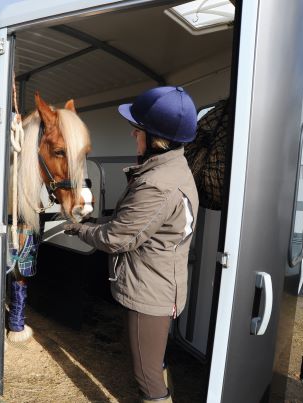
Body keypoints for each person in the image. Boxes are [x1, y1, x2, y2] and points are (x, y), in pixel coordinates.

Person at [64, 86, 199, 402]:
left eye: (137, 131)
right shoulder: (174, 169)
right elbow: (136, 228)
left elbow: (115, 239)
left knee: (147, 376)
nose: (132, 136)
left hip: (150, 292)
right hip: (164, 283)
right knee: (156, 361)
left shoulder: (156, 185)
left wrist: (79, 229)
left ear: (157, 140)